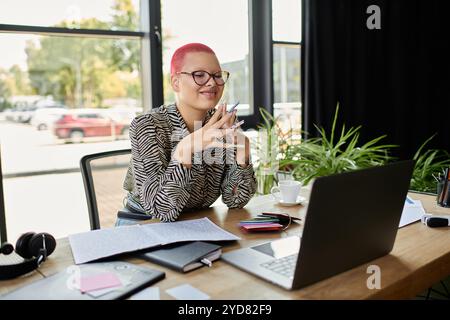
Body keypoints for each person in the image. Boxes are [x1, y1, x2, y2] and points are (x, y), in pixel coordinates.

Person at [122, 43, 257, 222]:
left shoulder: (222, 125)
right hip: (143, 223)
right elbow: (161, 211)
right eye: (199, 75)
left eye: (217, 76)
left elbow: (235, 200)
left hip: (198, 223)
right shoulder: (147, 125)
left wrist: (243, 152)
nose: (212, 82)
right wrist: (185, 149)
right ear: (175, 82)